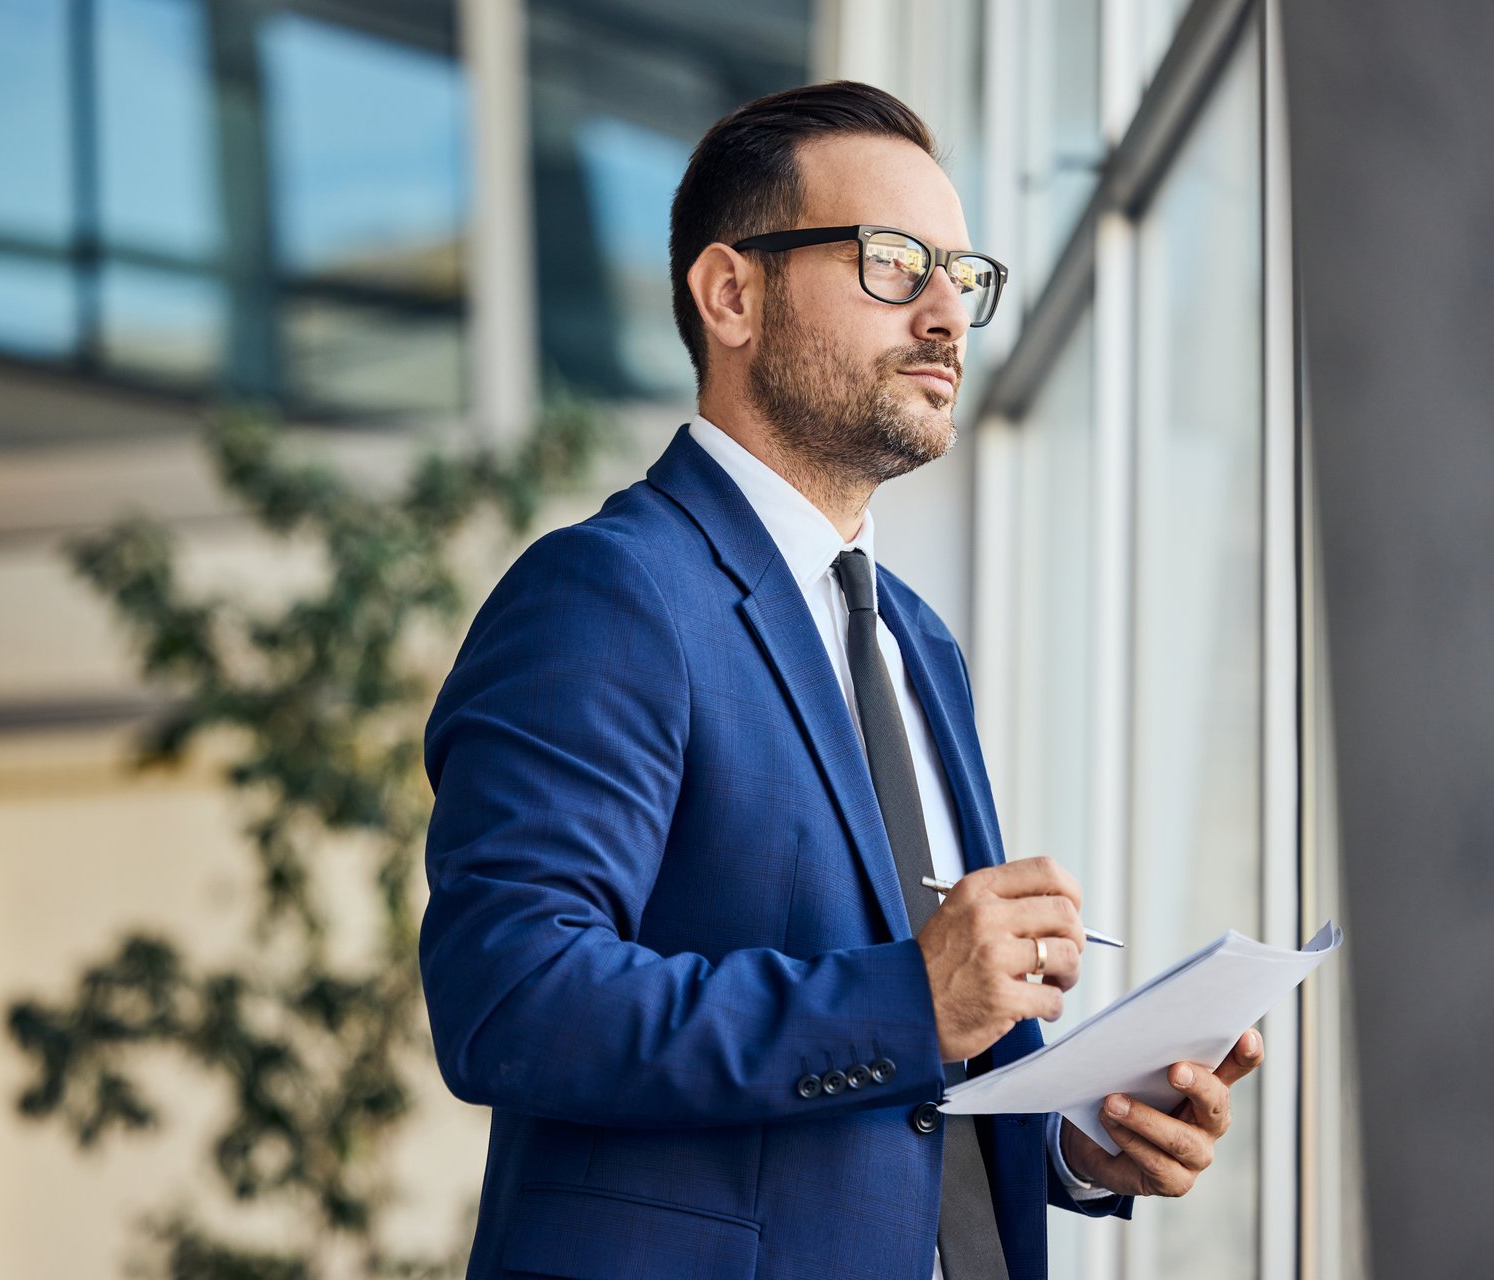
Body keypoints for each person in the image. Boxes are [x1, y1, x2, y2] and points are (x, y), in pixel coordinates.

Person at [417, 80, 1263, 1280]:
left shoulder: (917, 642)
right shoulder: (609, 594)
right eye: (891, 261)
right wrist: (910, 1001)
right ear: (731, 294)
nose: (944, 315)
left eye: (960, 275)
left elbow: (909, 1082)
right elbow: (512, 995)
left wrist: (1071, 1138)